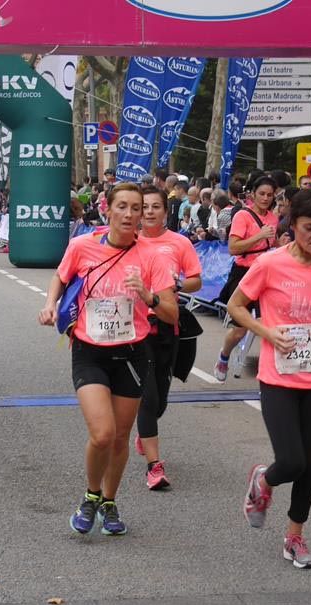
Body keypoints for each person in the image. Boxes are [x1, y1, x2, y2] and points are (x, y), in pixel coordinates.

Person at [230, 188, 311, 569]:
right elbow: (236, 306)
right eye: (309, 228)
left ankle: (294, 537)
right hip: (278, 376)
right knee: (290, 461)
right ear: (293, 225)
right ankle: (263, 481)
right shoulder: (270, 263)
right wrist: (266, 333)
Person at [37, 182, 177, 536]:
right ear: (108, 209)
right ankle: (91, 495)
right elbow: (60, 276)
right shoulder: (82, 246)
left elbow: (172, 313)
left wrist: (147, 295)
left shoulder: (152, 257)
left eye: (136, 208)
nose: (130, 214)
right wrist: (50, 304)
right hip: (90, 351)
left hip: (132, 354)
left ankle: (109, 502)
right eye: (123, 207)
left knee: (120, 437)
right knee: (102, 434)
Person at [135, 185, 203, 491]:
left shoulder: (179, 242)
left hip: (168, 323)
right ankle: (154, 466)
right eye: (144, 207)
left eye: (155, 207)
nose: (149, 212)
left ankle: (145, 429)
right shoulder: (129, 241)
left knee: (160, 400)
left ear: (165, 211)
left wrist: (177, 285)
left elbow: (196, 280)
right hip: (136, 326)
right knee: (147, 397)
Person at [214, 176, 280, 381]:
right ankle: (224, 356)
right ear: (252, 194)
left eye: (270, 195)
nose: (266, 198)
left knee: (268, 324)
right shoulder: (242, 215)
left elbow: (271, 244)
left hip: (266, 274)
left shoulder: (273, 218)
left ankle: (272, 373)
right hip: (244, 273)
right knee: (239, 331)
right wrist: (259, 235)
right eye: (262, 194)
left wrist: (280, 244)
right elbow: (233, 248)